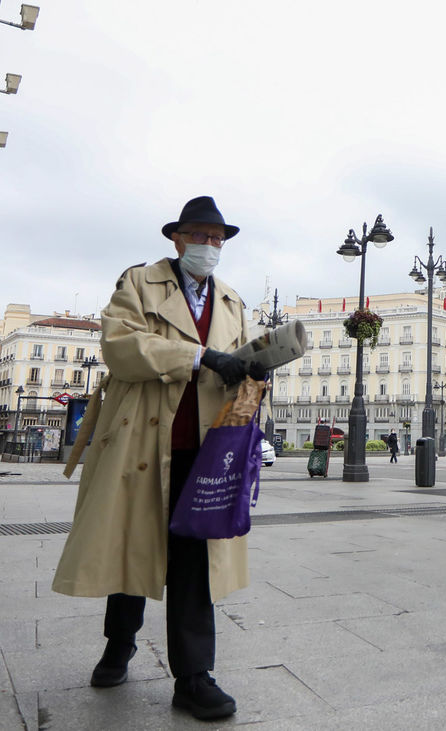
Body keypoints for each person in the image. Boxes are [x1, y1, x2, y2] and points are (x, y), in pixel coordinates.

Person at [52, 196, 262, 722]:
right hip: (142, 442)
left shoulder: (233, 302)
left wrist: (257, 367)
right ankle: (119, 644)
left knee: (193, 561)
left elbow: (236, 359)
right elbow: (120, 346)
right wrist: (197, 355)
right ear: (177, 238)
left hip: (205, 447)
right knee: (131, 545)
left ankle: (194, 676)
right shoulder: (139, 283)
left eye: (217, 239)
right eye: (200, 236)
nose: (209, 246)